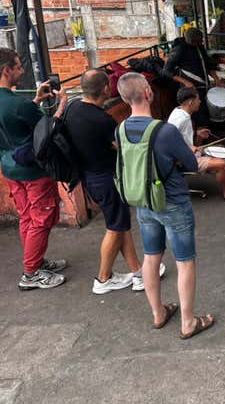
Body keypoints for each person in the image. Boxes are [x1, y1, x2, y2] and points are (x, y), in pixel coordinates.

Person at [116, 72, 214, 339]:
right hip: (173, 202)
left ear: (125, 98)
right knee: (185, 261)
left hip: (144, 201)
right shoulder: (165, 131)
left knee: (151, 257)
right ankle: (188, 321)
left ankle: (158, 313)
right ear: (148, 92)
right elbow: (192, 165)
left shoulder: (121, 129)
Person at [65, 68, 160, 294]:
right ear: (106, 89)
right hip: (106, 177)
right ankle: (103, 278)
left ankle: (138, 271)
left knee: (120, 223)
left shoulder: (72, 108)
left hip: (88, 175)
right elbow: (120, 147)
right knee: (115, 227)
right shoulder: (102, 120)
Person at [0, 48, 68, 290]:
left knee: (27, 217)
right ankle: (31, 272)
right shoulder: (17, 105)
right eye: (18, 67)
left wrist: (36, 101)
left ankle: (35, 261)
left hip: (10, 167)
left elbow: (14, 123)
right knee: (41, 217)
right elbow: (48, 130)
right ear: (6, 70)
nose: (22, 71)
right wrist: (61, 105)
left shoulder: (15, 104)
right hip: (32, 171)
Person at [167, 87, 225, 202]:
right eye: (198, 100)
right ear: (191, 102)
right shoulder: (182, 119)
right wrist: (188, 148)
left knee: (220, 148)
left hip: (186, 153)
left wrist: (197, 134)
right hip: (181, 160)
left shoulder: (177, 111)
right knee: (222, 164)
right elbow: (170, 142)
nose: (200, 102)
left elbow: (178, 135)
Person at [163, 27, 222, 126]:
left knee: (204, 113)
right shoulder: (179, 50)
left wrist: (216, 79)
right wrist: (186, 82)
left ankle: (204, 131)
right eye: (200, 40)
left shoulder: (199, 47)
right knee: (196, 118)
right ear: (192, 41)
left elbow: (207, 64)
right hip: (190, 91)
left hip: (203, 88)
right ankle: (197, 135)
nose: (202, 41)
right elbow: (166, 71)